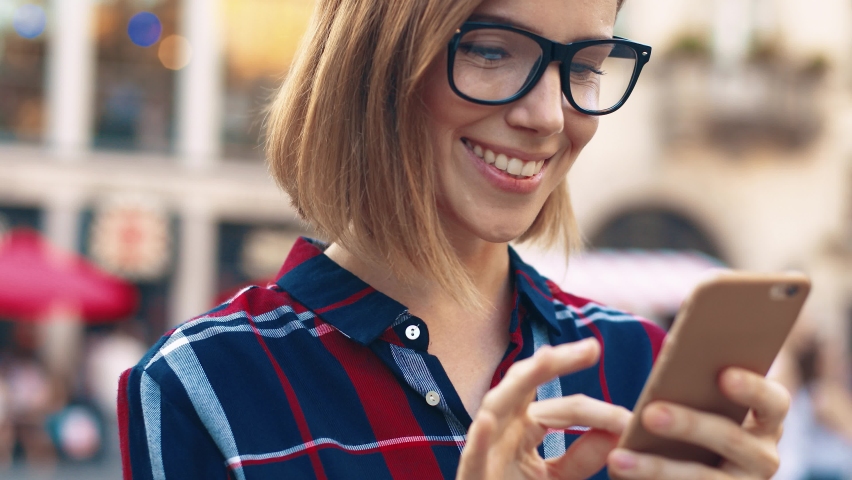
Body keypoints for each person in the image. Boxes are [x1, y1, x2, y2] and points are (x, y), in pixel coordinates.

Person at [119, 0, 792, 478]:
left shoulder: (636, 364)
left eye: (584, 66)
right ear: (374, 58)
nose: (548, 116)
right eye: (493, 50)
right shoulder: (203, 383)